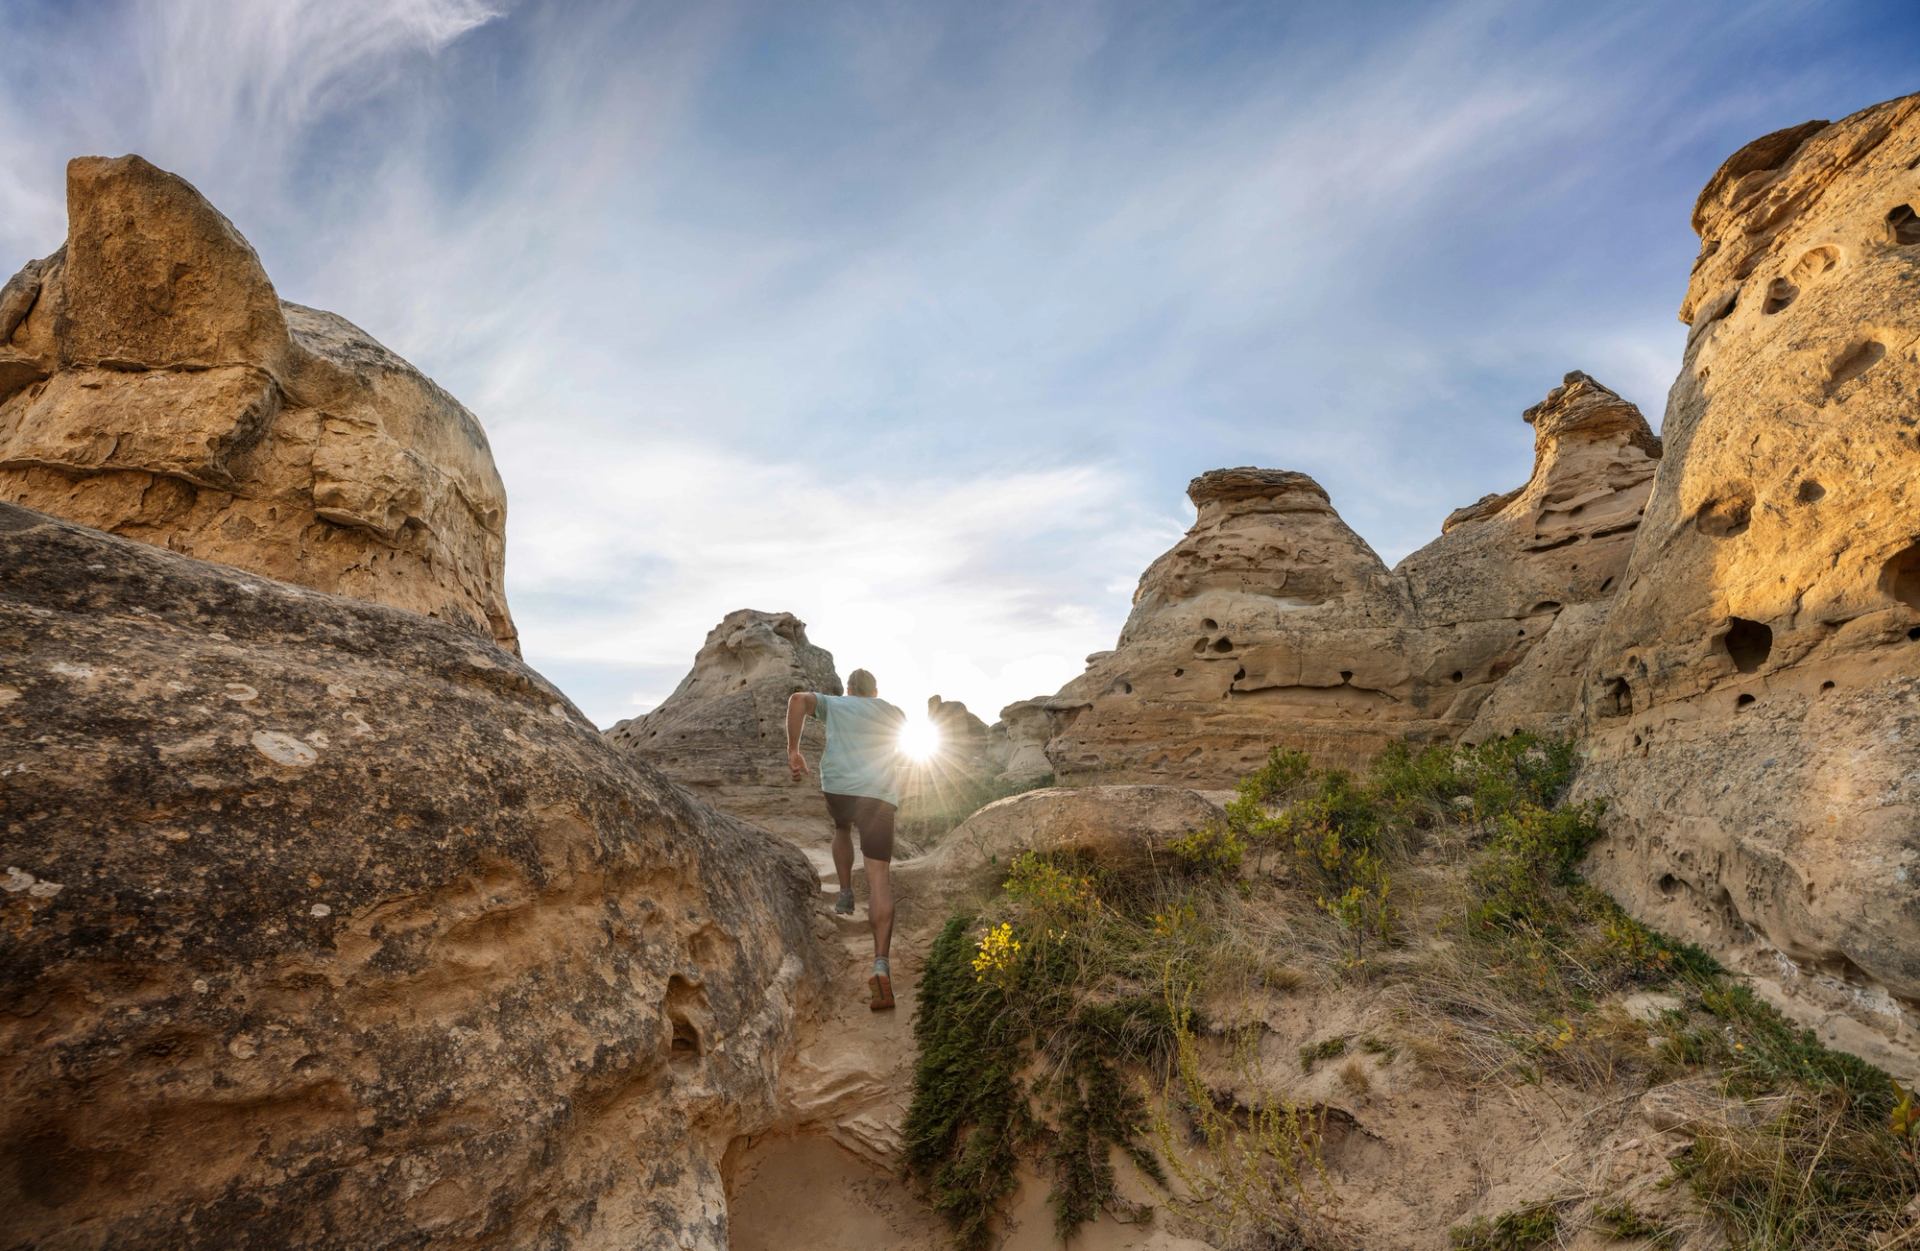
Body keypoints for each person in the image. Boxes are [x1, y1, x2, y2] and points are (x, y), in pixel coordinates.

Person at [786, 668, 905, 1010]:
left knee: (841, 829)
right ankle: (881, 964)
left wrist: (793, 750)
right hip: (879, 792)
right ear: (875, 690)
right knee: (880, 878)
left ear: (849, 688)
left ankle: (845, 894)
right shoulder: (892, 711)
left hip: (838, 785)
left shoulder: (835, 703)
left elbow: (796, 700)